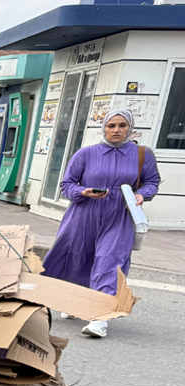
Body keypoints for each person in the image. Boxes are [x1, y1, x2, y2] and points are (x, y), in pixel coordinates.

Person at [42, 108, 160, 338]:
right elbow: (67, 184)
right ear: (103, 128)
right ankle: (78, 301)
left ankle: (99, 317)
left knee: (110, 261)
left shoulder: (142, 155)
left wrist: (141, 195)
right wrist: (82, 191)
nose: (116, 130)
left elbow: (152, 182)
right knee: (77, 258)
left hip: (119, 214)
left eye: (122, 125)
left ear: (130, 128)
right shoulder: (85, 154)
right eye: (111, 125)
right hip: (84, 214)